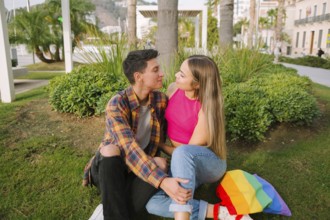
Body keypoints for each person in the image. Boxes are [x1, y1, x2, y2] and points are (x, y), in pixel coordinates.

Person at [87, 49, 192, 220]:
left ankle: (106, 210)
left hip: (138, 169)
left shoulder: (160, 100)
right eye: (155, 70)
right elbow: (128, 148)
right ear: (138, 76)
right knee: (110, 149)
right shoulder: (117, 103)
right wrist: (163, 182)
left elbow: (184, 102)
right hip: (112, 169)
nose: (162, 74)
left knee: (161, 163)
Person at [145, 55, 252, 220]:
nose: (175, 76)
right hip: (182, 159)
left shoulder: (207, 109)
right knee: (153, 204)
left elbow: (187, 152)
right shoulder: (174, 89)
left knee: (182, 154)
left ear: (197, 84)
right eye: (179, 72)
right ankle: (220, 212)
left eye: (182, 75)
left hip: (208, 162)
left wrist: (160, 146)